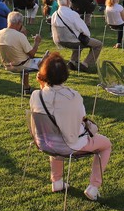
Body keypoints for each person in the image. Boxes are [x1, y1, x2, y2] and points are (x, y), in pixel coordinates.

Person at [29, 53, 111, 202]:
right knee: (106, 144)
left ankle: (57, 181)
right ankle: (93, 187)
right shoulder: (73, 96)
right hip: (70, 145)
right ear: (65, 74)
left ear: (43, 75)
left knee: (55, 134)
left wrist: (42, 84)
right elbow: (81, 118)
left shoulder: (35, 95)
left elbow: (47, 103)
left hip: (45, 142)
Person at [50, 0, 102, 72]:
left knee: (77, 38)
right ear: (68, 2)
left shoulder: (54, 15)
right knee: (98, 44)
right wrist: (87, 36)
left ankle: (73, 61)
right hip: (74, 41)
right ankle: (85, 64)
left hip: (60, 41)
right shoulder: (72, 14)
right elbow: (84, 30)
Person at [0, 11, 44, 93]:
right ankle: (46, 87)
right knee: (47, 61)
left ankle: (26, 88)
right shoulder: (19, 36)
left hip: (7, 65)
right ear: (19, 23)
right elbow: (32, 54)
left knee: (23, 58)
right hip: (21, 66)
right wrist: (37, 42)